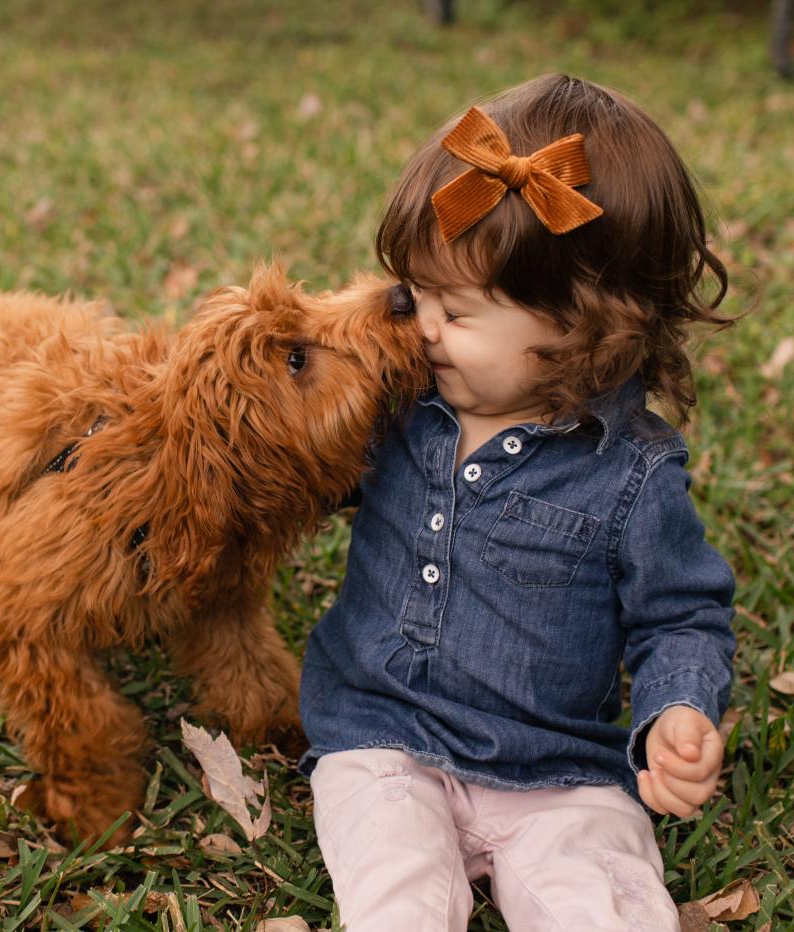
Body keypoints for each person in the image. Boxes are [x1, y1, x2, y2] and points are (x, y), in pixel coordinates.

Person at [299, 74, 737, 931]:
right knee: (393, 895)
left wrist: (677, 709)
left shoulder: (632, 475)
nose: (420, 326)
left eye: (455, 310)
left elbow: (682, 616)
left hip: (559, 767)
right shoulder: (399, 411)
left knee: (600, 899)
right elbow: (298, 478)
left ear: (585, 325)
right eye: (413, 294)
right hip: (380, 736)